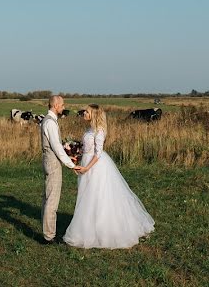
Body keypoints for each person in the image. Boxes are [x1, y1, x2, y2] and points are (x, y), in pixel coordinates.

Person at [63, 104, 155, 248]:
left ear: (94, 114)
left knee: (97, 195)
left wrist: (87, 167)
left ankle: (103, 228)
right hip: (86, 162)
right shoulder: (89, 129)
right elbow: (87, 148)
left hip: (96, 166)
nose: (84, 113)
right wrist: (76, 157)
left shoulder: (99, 130)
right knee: (87, 195)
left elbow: (98, 153)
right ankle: (89, 225)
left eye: (87, 111)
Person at [40, 95, 78, 244]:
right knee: (52, 200)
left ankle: (47, 233)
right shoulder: (50, 123)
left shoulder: (49, 120)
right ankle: (49, 236)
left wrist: (70, 156)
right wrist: (71, 165)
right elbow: (56, 147)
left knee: (48, 197)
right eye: (62, 104)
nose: (64, 107)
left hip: (50, 162)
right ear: (56, 105)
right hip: (53, 164)